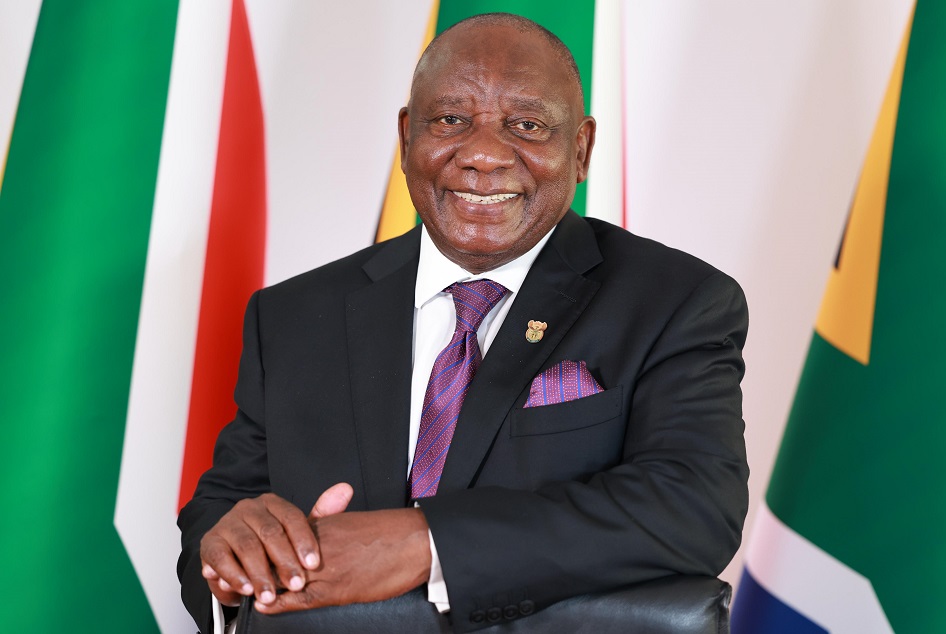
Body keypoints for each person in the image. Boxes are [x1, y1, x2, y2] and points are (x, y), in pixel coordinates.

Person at [178, 12, 749, 634]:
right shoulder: (292, 315)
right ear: (406, 137)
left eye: (527, 125)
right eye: (450, 120)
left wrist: (426, 544)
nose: (482, 155)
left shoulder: (675, 302)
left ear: (581, 149)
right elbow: (223, 509)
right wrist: (231, 559)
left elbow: (694, 506)